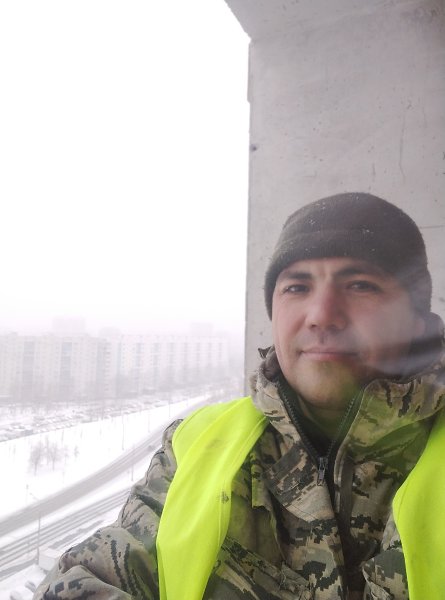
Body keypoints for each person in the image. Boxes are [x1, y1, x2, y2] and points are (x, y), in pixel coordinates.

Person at [34, 193, 445, 600]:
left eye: (360, 285)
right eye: (297, 287)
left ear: (416, 320)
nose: (321, 314)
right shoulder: (197, 444)